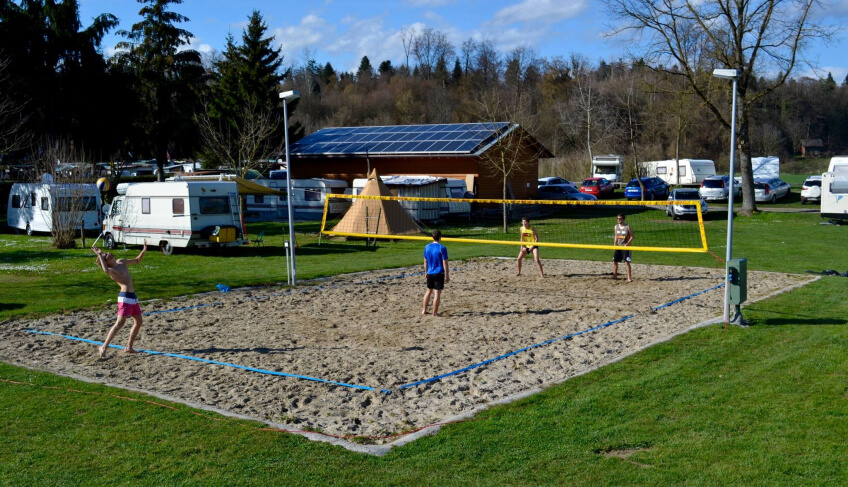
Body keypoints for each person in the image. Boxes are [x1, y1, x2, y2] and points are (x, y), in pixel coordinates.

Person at [91, 240, 147, 357]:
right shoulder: (112, 271)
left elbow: (137, 260)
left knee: (139, 321)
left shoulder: (121, 261)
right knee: (119, 324)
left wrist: (144, 250)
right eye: (106, 255)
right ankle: (103, 347)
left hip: (133, 297)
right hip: (125, 298)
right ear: (107, 262)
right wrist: (100, 255)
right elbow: (106, 270)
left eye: (107, 253)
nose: (109, 253)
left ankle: (129, 347)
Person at [422, 230, 450, 316]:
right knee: (437, 293)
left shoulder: (427, 247)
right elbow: (445, 263)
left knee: (428, 291)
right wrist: (447, 275)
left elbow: (425, 261)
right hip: (439, 272)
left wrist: (426, 272)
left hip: (430, 272)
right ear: (440, 236)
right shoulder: (442, 248)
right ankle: (435, 312)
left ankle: (424, 310)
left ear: (432, 237)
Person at [613, 214, 634, 282]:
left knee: (626, 262)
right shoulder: (616, 227)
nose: (619, 220)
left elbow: (632, 236)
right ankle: (615, 276)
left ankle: (629, 278)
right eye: (617, 218)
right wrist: (615, 244)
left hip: (626, 247)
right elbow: (616, 236)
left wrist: (627, 244)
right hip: (618, 247)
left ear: (623, 219)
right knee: (615, 261)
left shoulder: (627, 227)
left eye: (620, 218)